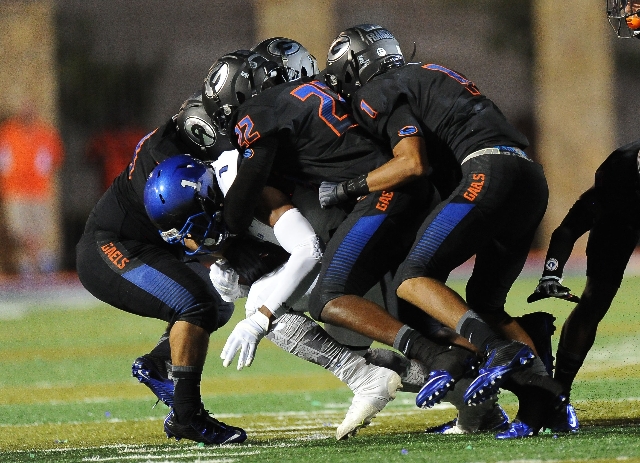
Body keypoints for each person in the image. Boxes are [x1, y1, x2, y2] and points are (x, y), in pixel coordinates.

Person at [321, 24, 574, 437]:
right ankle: (552, 405)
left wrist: (347, 187)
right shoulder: (428, 72)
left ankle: (496, 348)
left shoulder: (375, 91)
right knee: (486, 304)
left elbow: (412, 162)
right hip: (529, 176)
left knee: (411, 277)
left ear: (353, 68)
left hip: (487, 172)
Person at [202, 48, 482, 416]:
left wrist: (230, 252)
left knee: (308, 300)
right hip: (414, 199)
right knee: (417, 312)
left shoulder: (258, 127)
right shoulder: (333, 98)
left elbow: (275, 227)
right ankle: (495, 384)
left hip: (373, 207)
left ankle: (369, 373)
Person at [75, 91, 248, 445]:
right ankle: (187, 416)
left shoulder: (179, 139)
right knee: (197, 302)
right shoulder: (165, 160)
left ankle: (157, 364)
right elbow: (189, 233)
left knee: (217, 299)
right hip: (110, 246)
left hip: (148, 243)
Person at [528, 138, 640, 401]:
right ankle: (559, 392)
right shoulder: (617, 178)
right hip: (623, 220)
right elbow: (569, 228)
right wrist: (551, 272)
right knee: (596, 299)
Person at [0, 98, 64, 274]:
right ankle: (39, 259)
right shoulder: (8, 132)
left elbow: (55, 158)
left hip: (38, 190)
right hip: (15, 190)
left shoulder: (45, 133)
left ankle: (31, 263)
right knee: (18, 229)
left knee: (39, 227)